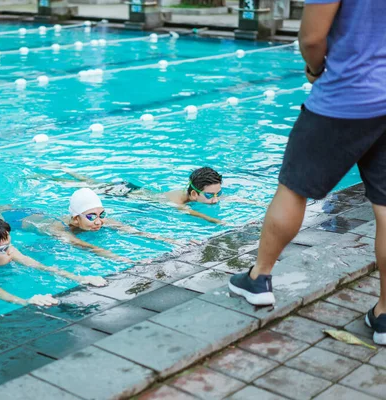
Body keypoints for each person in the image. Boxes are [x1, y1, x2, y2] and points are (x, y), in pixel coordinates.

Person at [228, 0, 386, 345]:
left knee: (293, 188)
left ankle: (259, 279)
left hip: (346, 97)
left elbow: (313, 37)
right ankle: (385, 315)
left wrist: (315, 71)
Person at [0, 183, 187, 263]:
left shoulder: (100, 220)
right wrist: (127, 261)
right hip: (17, 218)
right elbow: (84, 247)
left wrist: (171, 242)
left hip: (33, 213)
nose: (99, 221)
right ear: (75, 218)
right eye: (91, 216)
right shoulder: (60, 229)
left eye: (101, 215)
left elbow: (134, 230)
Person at [33, 167, 241, 224]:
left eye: (218, 194)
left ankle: (66, 170)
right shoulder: (178, 202)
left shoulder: (195, 192)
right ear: (194, 195)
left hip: (134, 189)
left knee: (91, 182)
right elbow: (197, 215)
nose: (216, 200)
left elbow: (217, 197)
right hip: (126, 194)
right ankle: (49, 177)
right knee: (87, 184)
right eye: (211, 196)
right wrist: (221, 223)